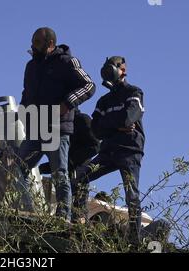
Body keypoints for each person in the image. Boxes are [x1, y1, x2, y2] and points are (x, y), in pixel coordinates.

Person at [17, 27, 96, 221]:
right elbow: (26, 94)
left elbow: (89, 85)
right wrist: (23, 112)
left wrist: (67, 103)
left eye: (37, 43)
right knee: (19, 166)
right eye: (32, 42)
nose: (32, 46)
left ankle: (63, 217)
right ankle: (30, 210)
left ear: (50, 44)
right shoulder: (31, 66)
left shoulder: (67, 62)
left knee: (59, 173)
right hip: (36, 129)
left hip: (57, 128)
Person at [71, 56, 145, 245]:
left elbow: (129, 118)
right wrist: (117, 126)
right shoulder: (103, 101)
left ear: (123, 70)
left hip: (129, 151)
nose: (107, 70)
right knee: (79, 177)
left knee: (132, 196)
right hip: (108, 151)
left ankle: (134, 240)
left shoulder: (134, 92)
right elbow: (96, 129)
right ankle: (77, 221)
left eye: (112, 67)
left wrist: (112, 125)